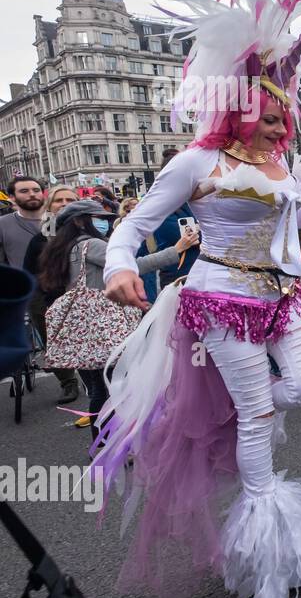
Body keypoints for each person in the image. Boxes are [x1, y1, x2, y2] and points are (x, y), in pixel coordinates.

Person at [93, 0, 301, 598]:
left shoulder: (279, 170)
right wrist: (119, 268)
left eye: (283, 120)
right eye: (269, 119)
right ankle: (267, 537)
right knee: (261, 414)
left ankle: (221, 416)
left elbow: (286, 222)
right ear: (240, 108)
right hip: (222, 300)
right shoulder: (197, 162)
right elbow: (134, 226)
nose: (279, 129)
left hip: (283, 295)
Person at [40, 199, 195, 430]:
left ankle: (101, 442)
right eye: (99, 219)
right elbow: (134, 265)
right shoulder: (91, 244)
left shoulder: (67, 247)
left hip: (89, 329)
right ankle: (111, 442)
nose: (103, 223)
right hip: (106, 326)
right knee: (115, 385)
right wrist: (176, 250)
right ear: (80, 221)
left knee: (98, 388)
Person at [22, 184, 81, 404]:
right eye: (59, 201)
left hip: (80, 292)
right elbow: (29, 272)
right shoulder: (40, 239)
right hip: (45, 295)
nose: (65, 205)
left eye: (70, 200)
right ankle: (68, 382)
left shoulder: (92, 230)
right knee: (53, 342)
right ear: (50, 205)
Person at [0, 176, 45, 267]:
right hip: (22, 280)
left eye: (36, 190)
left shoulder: (56, 220)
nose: (32, 194)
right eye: (24, 191)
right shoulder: (3, 224)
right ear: (12, 197)